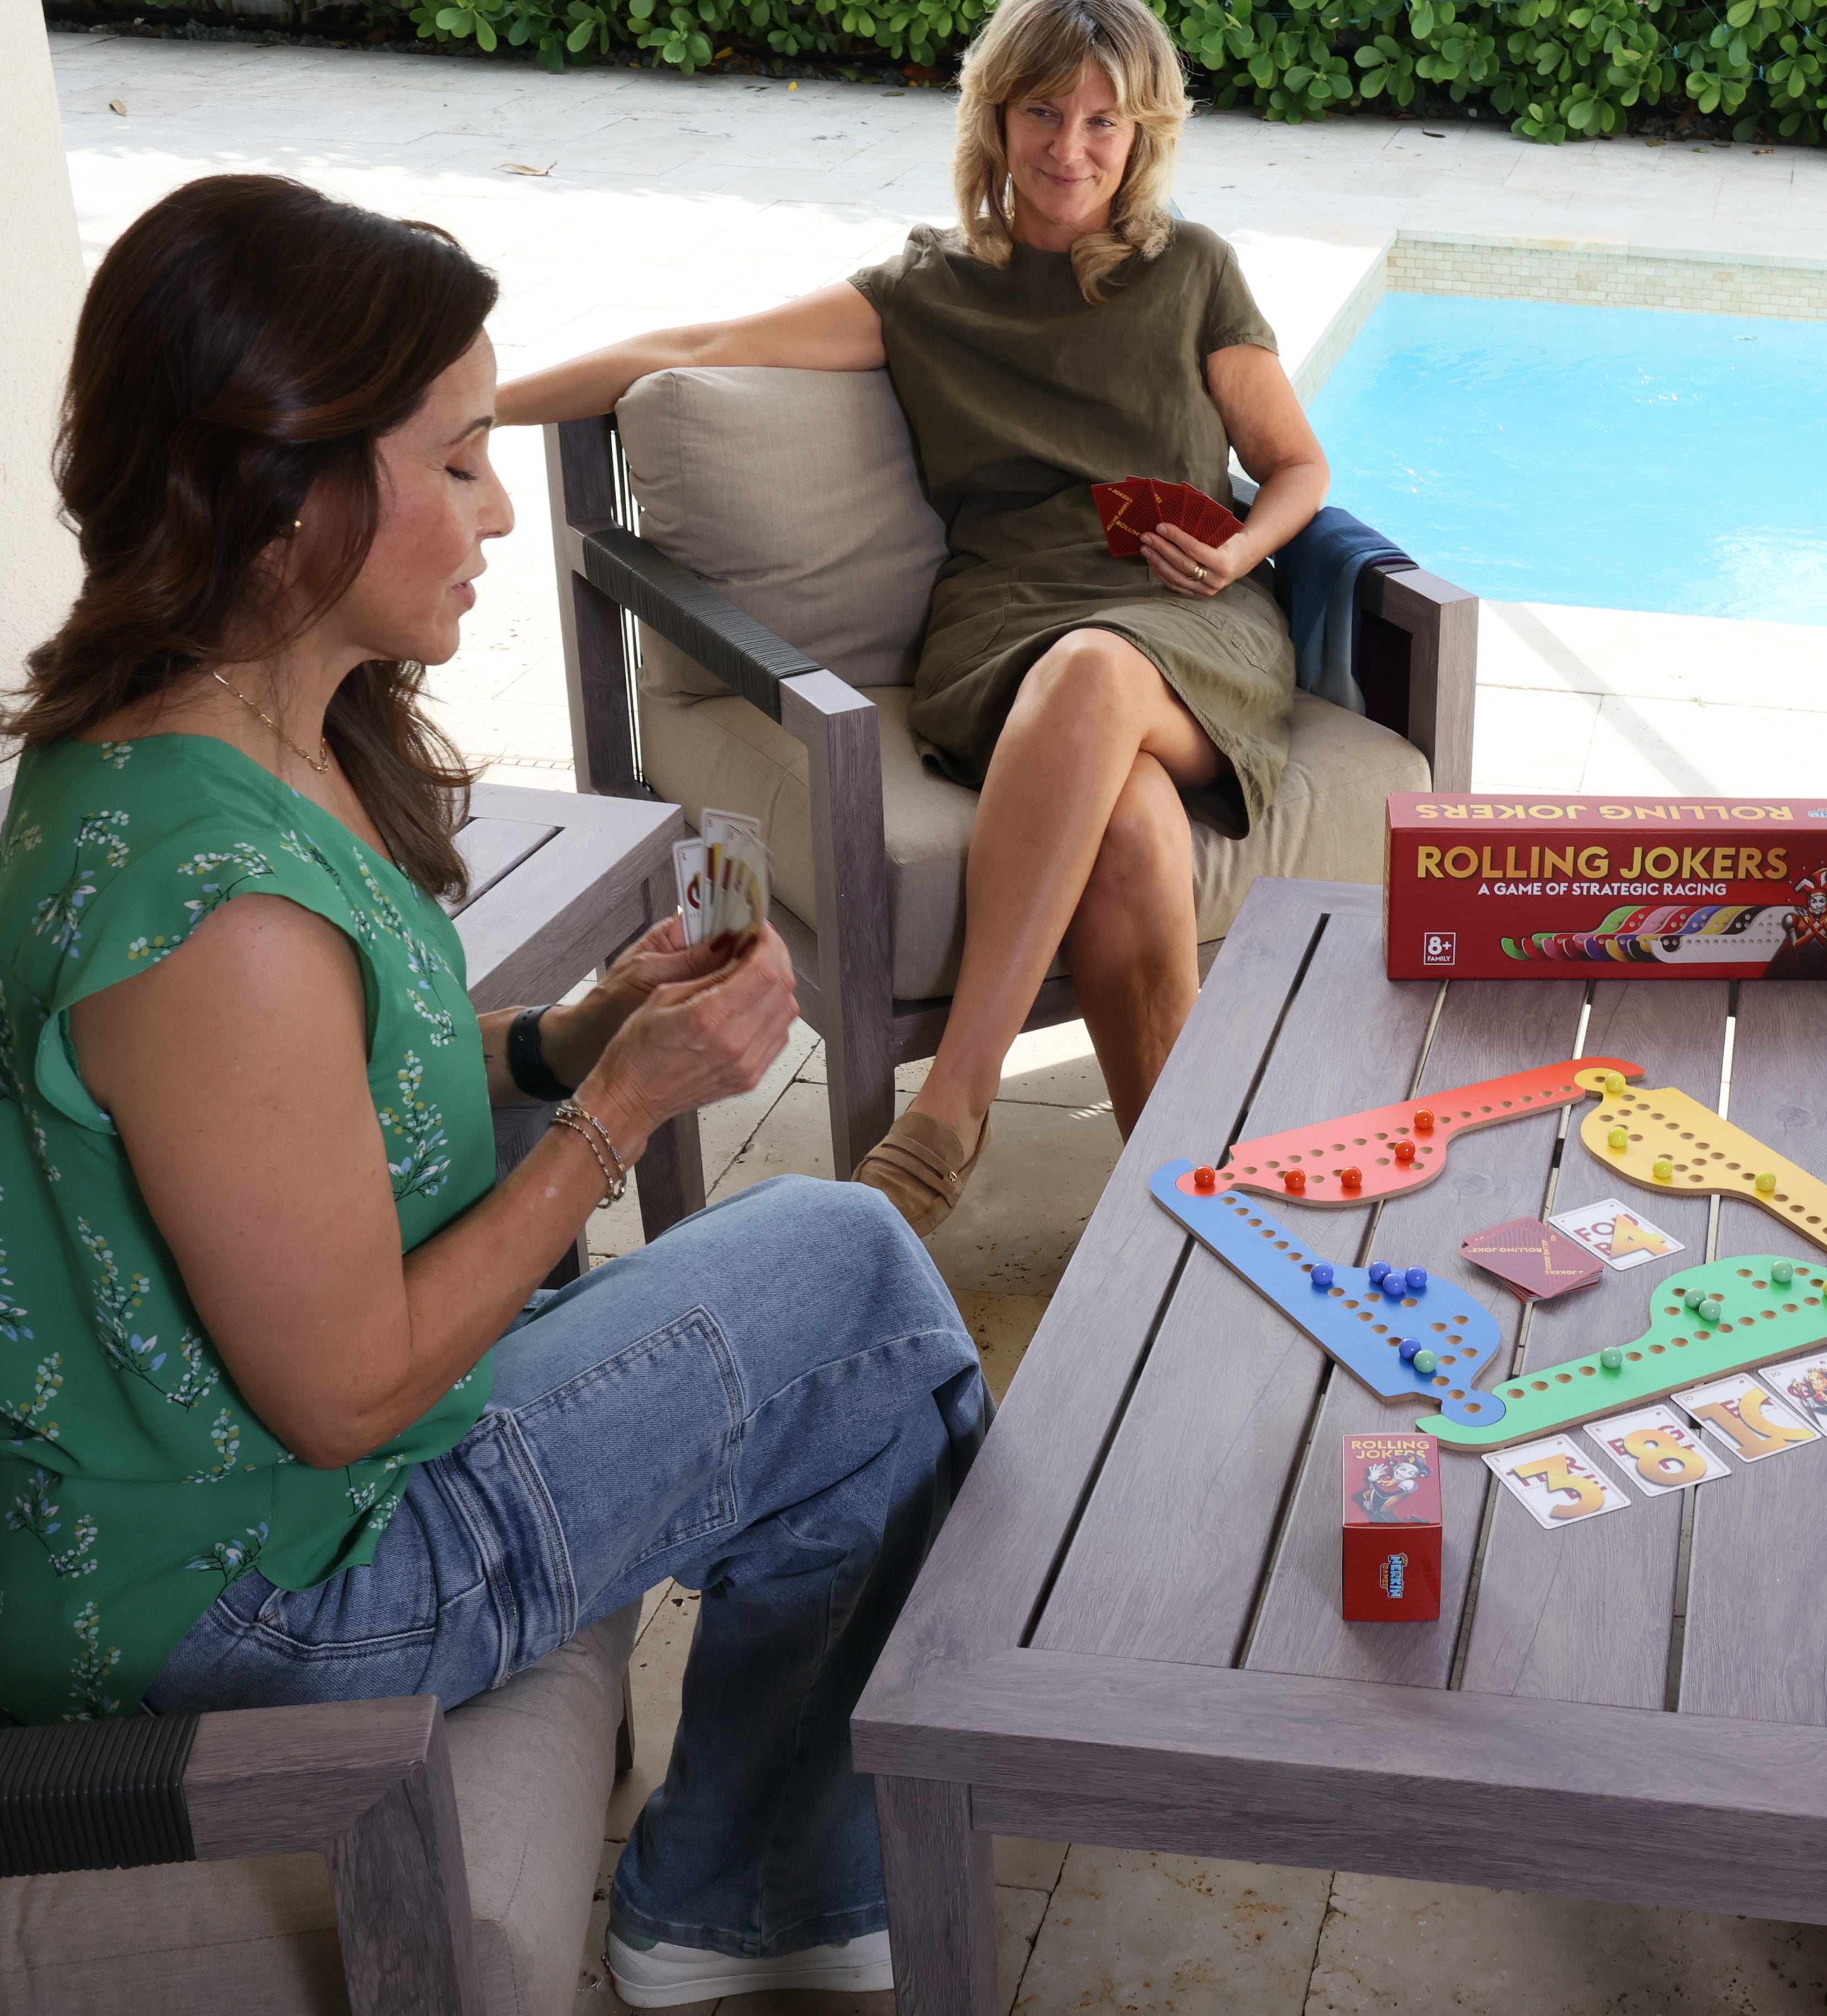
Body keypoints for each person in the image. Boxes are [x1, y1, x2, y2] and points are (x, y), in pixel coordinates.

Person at [0, 175, 990, 2009]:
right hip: (267, 1601)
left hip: (251, 1517)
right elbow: (350, 1382)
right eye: (456, 459)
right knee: (861, 1278)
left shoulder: (203, 742)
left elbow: (317, 1102)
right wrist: (622, 1109)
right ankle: (749, 1886)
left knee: (875, 1371)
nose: (493, 506)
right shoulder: (205, 910)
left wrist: (565, 1036)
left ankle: (752, 1885)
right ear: (287, 490)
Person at [497, 0, 1329, 1235]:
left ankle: (950, 1103)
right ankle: (1189, 1214)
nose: (1071, 147)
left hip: (1188, 621)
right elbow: (698, 342)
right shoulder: (926, 291)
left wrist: (1240, 546)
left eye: (1105, 120)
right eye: (1044, 110)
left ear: (1143, 135)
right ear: (995, 117)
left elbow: (1297, 465)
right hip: (1003, 629)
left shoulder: (1193, 270)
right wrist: (468, 411)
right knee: (1132, 833)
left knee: (1101, 674)